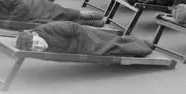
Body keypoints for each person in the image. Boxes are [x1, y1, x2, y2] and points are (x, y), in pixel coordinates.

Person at [15, 21, 153, 57]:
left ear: (36, 35)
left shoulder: (50, 29)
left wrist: (89, 47)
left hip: (84, 36)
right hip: (78, 46)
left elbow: (74, 28)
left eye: (38, 43)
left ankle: (143, 45)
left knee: (111, 45)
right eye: (36, 49)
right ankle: (141, 44)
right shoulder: (42, 44)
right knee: (113, 47)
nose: (41, 47)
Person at [0, 0, 104, 27]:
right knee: (60, 22)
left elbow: (20, 4)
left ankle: (93, 15)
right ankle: (95, 24)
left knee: (65, 13)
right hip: (31, 17)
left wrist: (12, 21)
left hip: (35, 5)